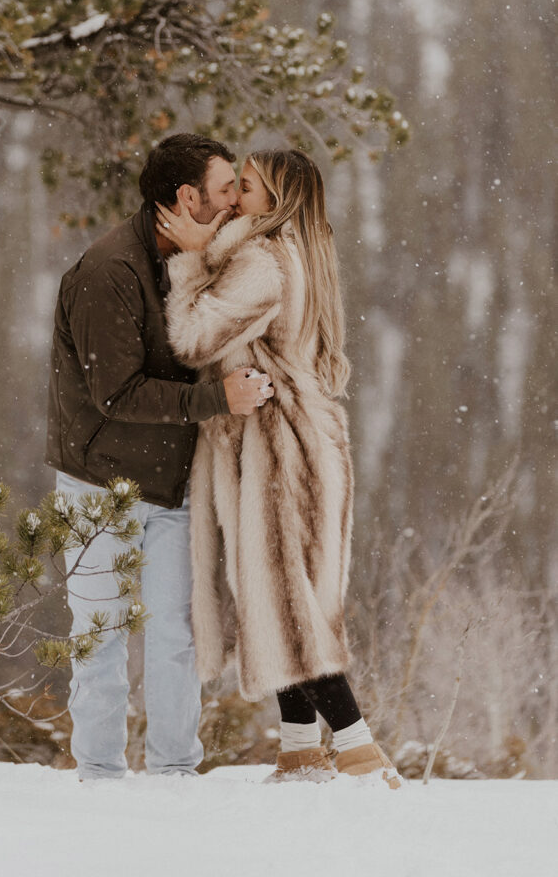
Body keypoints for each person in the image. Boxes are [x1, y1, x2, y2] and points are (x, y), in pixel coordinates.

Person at [158, 147, 401, 787]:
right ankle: (299, 750)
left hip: (276, 451)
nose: (234, 197)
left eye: (246, 187)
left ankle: (360, 753)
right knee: (284, 592)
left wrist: (188, 261)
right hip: (303, 444)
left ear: (276, 198)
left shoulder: (263, 263)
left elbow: (192, 339)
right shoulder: (296, 253)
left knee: (285, 603)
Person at [45, 133, 273, 780]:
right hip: (100, 487)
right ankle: (100, 779)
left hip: (170, 487)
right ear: (186, 197)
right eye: (226, 189)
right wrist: (216, 400)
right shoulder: (106, 272)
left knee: (176, 639)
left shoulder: (191, 259)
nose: (235, 202)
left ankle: (175, 779)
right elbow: (115, 392)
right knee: (101, 640)